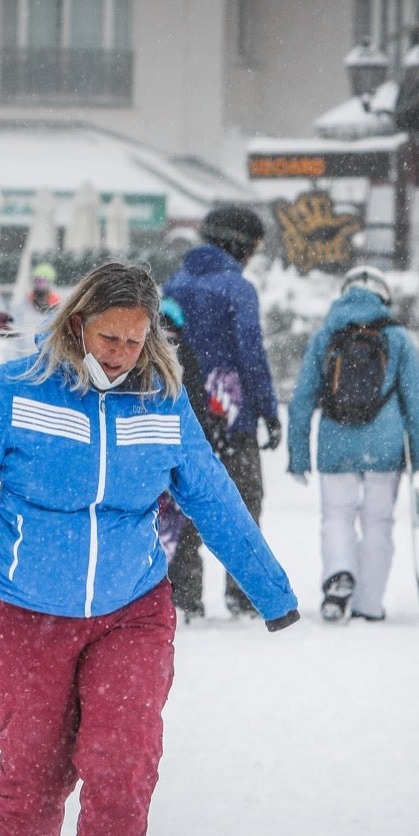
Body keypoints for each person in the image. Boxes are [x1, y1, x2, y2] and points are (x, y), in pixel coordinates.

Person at [0, 261, 300, 836]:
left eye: (134, 340)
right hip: (26, 610)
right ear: (77, 326)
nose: (121, 354)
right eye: (108, 338)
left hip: (132, 608)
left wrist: (270, 590)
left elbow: (210, 494)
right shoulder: (16, 391)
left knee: (122, 761)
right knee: (36, 770)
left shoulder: (161, 400)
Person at [286, 266, 419, 622]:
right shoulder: (398, 339)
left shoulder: (325, 336)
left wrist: (299, 454)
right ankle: (369, 604)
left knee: (336, 516)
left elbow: (303, 398)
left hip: (336, 445)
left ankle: (338, 574)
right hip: (385, 448)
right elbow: (415, 402)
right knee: (379, 523)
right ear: (383, 296)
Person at [162, 205, 283, 618]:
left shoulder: (173, 284)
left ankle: (183, 597)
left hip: (182, 411)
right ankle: (243, 594)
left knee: (186, 500)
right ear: (242, 245)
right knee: (243, 503)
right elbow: (251, 353)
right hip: (230, 412)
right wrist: (267, 409)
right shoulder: (238, 288)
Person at [0, 262, 61, 363]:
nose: (40, 285)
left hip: (48, 363)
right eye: (37, 281)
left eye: (43, 282)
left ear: (51, 282)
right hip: (25, 361)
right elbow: (14, 336)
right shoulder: (22, 307)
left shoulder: (59, 309)